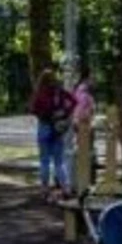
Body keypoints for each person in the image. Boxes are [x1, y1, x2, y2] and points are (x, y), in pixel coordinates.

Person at [30, 69, 75, 198]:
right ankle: (65, 188)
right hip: (57, 128)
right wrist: (65, 113)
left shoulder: (39, 93)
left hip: (44, 127)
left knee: (44, 161)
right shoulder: (58, 91)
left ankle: (45, 189)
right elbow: (74, 101)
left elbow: (33, 109)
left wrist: (43, 115)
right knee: (59, 161)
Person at [64, 66, 96, 193]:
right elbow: (80, 111)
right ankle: (82, 183)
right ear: (87, 77)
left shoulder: (80, 90)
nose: (94, 79)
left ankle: (82, 181)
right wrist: (87, 119)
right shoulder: (83, 92)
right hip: (83, 125)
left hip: (81, 124)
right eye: (92, 76)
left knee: (84, 153)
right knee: (84, 153)